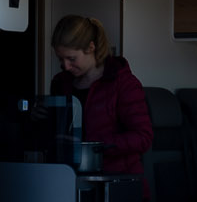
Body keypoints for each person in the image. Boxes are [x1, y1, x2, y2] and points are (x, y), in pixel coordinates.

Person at [49, 14, 153, 184]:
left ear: (91, 47)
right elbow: (54, 133)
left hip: (118, 184)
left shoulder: (123, 84)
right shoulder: (61, 83)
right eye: (61, 59)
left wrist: (97, 146)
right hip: (69, 181)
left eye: (72, 59)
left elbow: (143, 137)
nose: (66, 66)